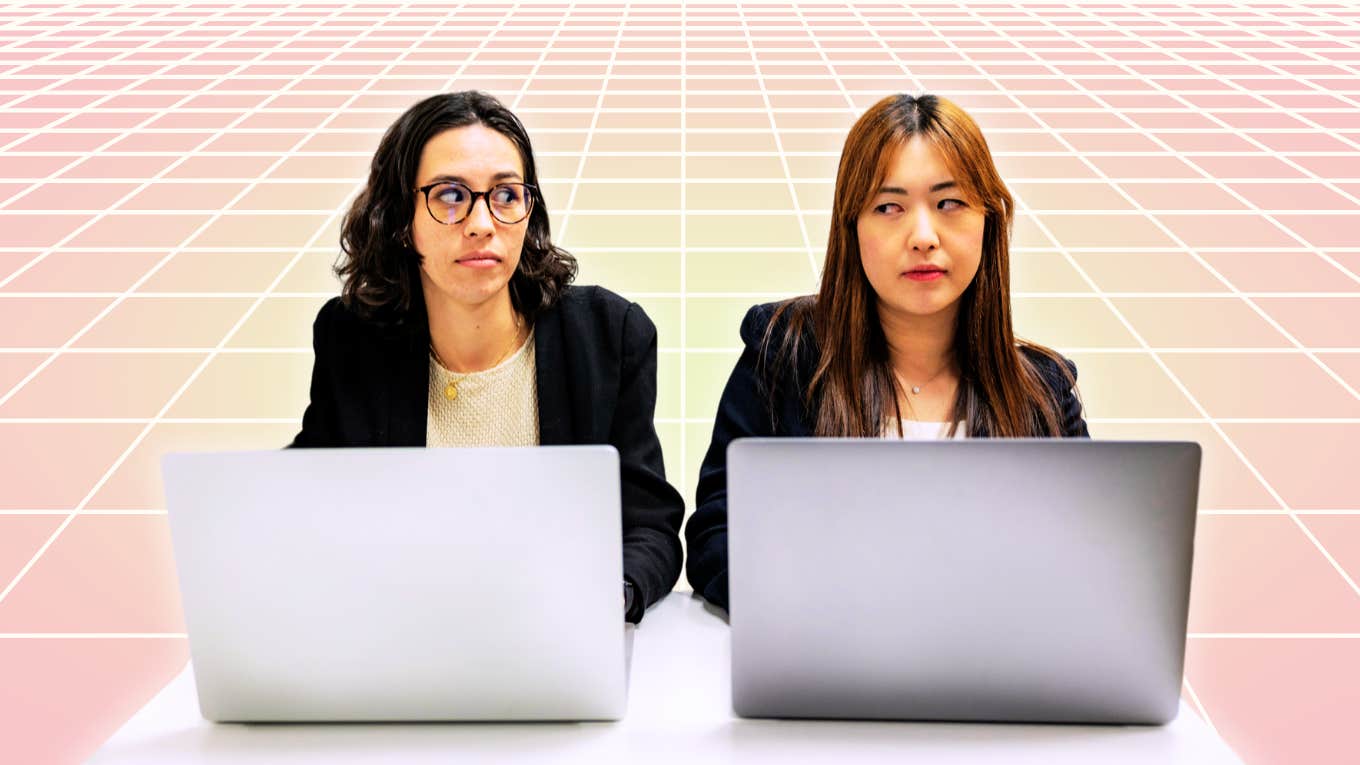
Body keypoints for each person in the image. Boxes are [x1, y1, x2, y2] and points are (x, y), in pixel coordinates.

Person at [685, 94, 1089, 612]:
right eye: (889, 207)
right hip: (826, 661)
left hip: (989, 673)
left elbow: (1083, 564)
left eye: (950, 203)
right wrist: (813, 607)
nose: (922, 236)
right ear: (852, 226)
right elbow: (717, 536)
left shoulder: (1043, 392)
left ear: (989, 220)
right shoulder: (784, 350)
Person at [290, 91, 683, 623]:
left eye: (505, 195)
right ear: (401, 220)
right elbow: (308, 502)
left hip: (553, 639)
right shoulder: (351, 339)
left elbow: (649, 526)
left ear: (528, 210)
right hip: (401, 634)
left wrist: (610, 595)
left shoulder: (608, 336)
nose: (481, 223)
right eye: (450, 196)